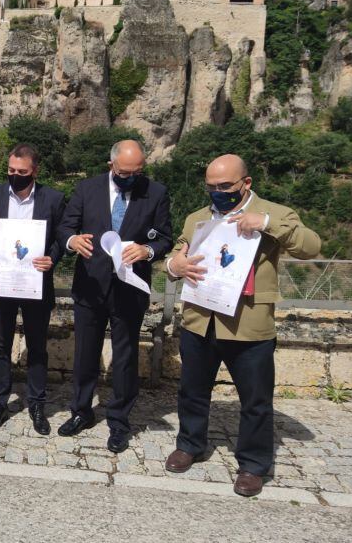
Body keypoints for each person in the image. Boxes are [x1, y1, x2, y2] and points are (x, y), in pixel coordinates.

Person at [164, 154, 320, 497]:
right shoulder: (197, 218)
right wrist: (175, 265)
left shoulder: (274, 213)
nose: (217, 192)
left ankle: (253, 465)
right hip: (200, 321)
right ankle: (189, 444)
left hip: (248, 325)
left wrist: (265, 222)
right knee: (192, 390)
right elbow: (176, 255)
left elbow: (311, 246)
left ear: (245, 183)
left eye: (225, 186)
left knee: (255, 399)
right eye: (211, 187)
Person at [57, 139, 172, 453]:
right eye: (124, 173)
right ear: (111, 166)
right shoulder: (87, 189)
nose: (131, 178)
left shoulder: (156, 192)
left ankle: (119, 421)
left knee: (125, 358)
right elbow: (65, 227)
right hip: (90, 285)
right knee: (85, 354)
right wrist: (72, 241)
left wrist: (147, 250)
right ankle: (81, 411)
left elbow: (165, 238)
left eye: (137, 172)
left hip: (130, 288)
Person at [0, 143, 66, 434]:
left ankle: (36, 404)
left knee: (37, 346)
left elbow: (62, 236)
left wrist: (53, 257)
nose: (15, 175)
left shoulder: (53, 199)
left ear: (35, 171)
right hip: (1, 281)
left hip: (35, 283)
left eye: (22, 172)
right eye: (11, 170)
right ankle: (0, 402)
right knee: (0, 346)